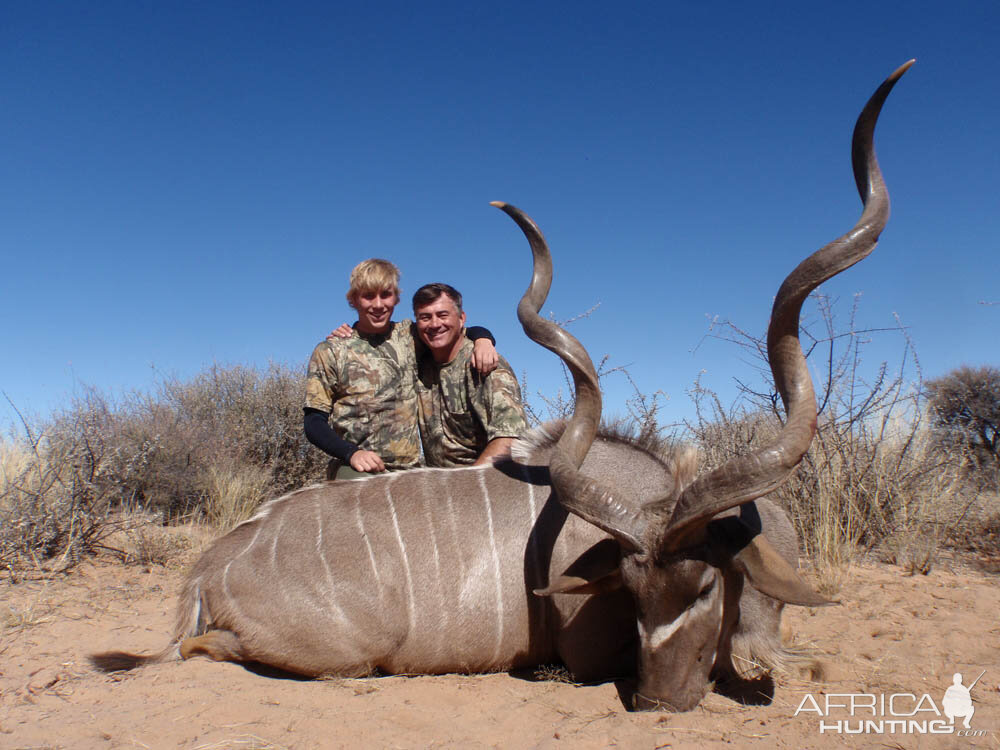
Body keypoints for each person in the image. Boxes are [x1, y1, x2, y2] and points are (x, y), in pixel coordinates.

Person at [304, 259, 498, 479]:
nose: (378, 305)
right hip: (357, 469)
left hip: (409, 473)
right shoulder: (330, 350)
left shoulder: (410, 336)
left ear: (396, 298)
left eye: (385, 294)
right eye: (368, 296)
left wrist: (484, 339)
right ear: (353, 300)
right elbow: (313, 422)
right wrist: (351, 453)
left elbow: (454, 330)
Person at [412, 283, 528, 467]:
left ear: (461, 318)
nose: (434, 324)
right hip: (437, 485)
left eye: (443, 315)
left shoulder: (485, 364)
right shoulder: (416, 361)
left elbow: (510, 439)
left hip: (483, 484)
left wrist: (468, 489)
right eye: (425, 317)